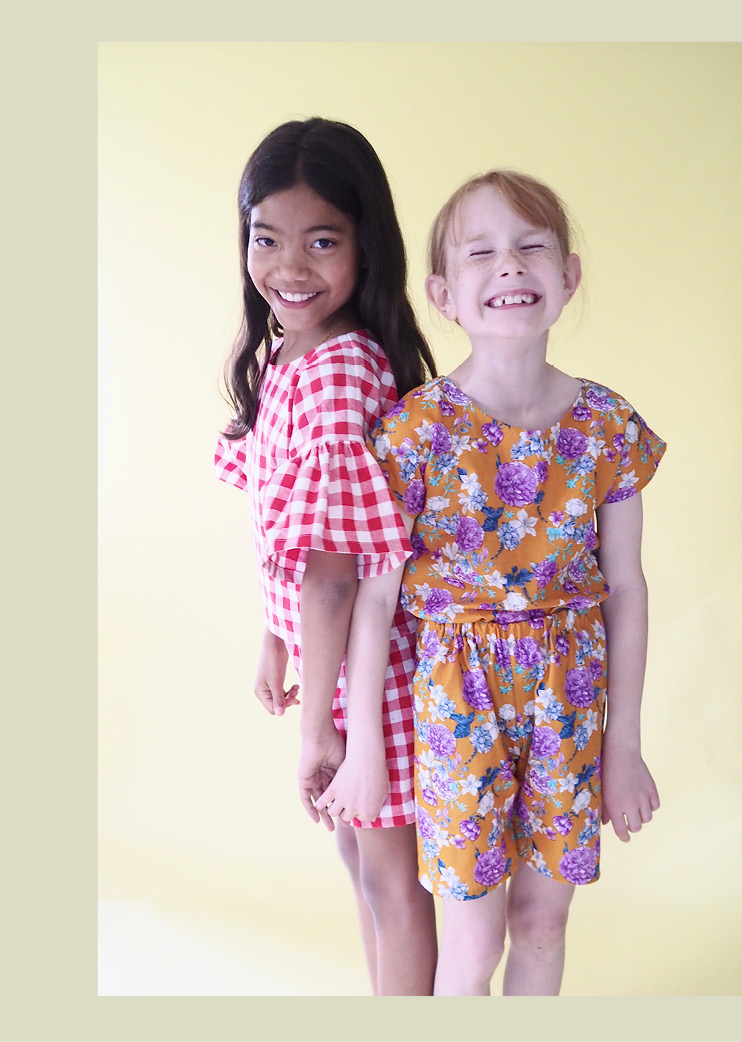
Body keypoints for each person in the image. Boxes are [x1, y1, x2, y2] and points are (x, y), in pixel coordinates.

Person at [315, 169, 666, 996]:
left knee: (541, 925)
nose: (508, 265)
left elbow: (627, 587)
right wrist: (363, 748)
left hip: (568, 700)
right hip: (455, 702)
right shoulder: (411, 434)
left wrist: (622, 746)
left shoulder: (606, 427)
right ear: (442, 294)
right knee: (470, 948)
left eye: (530, 247)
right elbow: (374, 598)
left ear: (567, 276)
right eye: (480, 253)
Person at [214, 117, 438, 995]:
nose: (289, 267)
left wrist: (318, 732)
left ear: (365, 245)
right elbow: (288, 532)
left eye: (321, 241)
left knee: (388, 874)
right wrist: (274, 641)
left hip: (368, 668)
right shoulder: (288, 354)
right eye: (265, 238)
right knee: (358, 856)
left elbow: (336, 574)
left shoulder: (341, 371)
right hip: (329, 657)